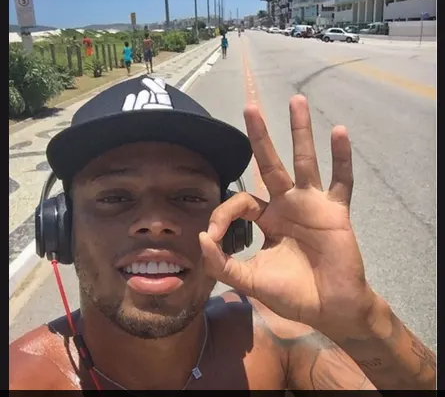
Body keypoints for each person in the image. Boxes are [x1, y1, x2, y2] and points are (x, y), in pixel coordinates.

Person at [9, 76, 436, 391]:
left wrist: (362, 317)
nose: (156, 221)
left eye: (189, 197)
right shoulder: (23, 377)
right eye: (116, 197)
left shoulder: (272, 339)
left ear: (231, 230)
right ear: (61, 226)